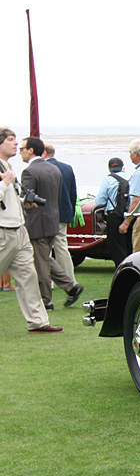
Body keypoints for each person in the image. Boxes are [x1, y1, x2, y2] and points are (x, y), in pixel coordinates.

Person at [0, 127, 61, 332]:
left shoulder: (7, 166)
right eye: (10, 140)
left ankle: (38, 321)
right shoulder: (4, 171)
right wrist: (4, 183)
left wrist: (24, 202)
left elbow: (9, 198)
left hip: (19, 228)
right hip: (3, 230)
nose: (16, 144)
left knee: (29, 276)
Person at [19, 136, 84, 309]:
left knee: (40, 262)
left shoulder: (29, 172)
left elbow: (27, 199)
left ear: (31, 150)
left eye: (22, 149)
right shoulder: (54, 169)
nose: (20, 152)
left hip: (37, 221)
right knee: (45, 258)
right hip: (53, 219)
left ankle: (45, 300)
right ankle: (70, 286)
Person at [43, 143, 78, 282]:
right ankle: (70, 280)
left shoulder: (41, 168)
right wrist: (70, 211)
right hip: (63, 212)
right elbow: (72, 193)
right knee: (62, 247)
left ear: (44, 153)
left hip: (45, 213)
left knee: (44, 248)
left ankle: (47, 281)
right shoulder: (67, 168)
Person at [94, 157, 133, 265]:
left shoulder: (108, 179)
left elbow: (100, 201)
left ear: (110, 169)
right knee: (130, 245)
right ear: (123, 167)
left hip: (114, 216)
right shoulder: (132, 178)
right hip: (130, 215)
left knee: (116, 247)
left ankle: (121, 269)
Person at [121, 139, 140, 252]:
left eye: (130, 153)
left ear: (135, 154)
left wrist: (126, 222)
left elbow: (137, 200)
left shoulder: (139, 173)